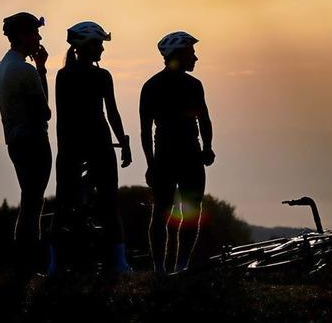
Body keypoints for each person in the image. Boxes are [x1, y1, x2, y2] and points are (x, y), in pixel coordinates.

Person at [55, 21, 133, 272]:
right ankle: (119, 263)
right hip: (100, 144)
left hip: (71, 146)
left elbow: (62, 116)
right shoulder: (102, 76)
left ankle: (55, 265)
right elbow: (112, 112)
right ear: (87, 46)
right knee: (110, 204)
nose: (102, 49)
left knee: (64, 205)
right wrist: (123, 141)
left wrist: (62, 151)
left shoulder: (63, 75)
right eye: (99, 44)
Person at [140, 31, 215, 274]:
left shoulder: (151, 86)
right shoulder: (193, 86)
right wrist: (206, 148)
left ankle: (162, 268)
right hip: (189, 155)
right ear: (178, 55)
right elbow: (204, 120)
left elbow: (145, 130)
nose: (195, 58)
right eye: (191, 53)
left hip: (164, 155)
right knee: (189, 211)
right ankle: (179, 266)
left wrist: (151, 164)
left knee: (161, 212)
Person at [0, 12, 51, 285]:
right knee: (33, 203)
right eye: (34, 33)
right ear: (22, 36)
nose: (39, 38)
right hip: (33, 140)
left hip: (14, 140)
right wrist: (42, 70)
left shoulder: (1, 67)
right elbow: (45, 112)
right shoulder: (25, 71)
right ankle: (28, 265)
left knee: (29, 201)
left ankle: (23, 264)